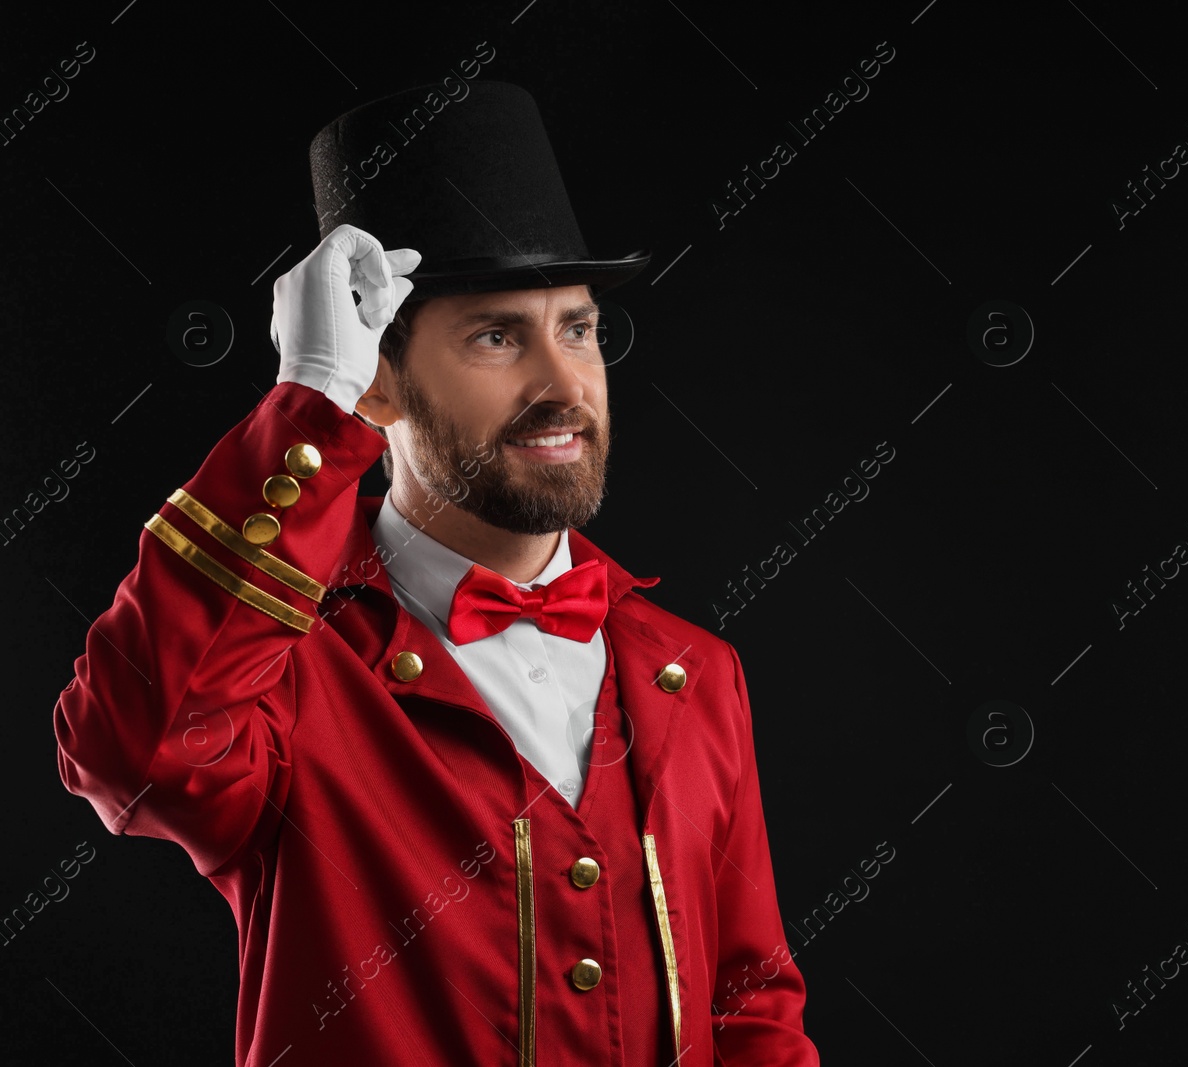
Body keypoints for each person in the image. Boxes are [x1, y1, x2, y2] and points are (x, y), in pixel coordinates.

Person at [53, 80, 819, 1066]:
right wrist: (308, 402)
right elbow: (134, 753)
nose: (562, 384)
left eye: (577, 329)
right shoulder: (284, 669)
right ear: (378, 375)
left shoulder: (697, 669)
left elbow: (751, 1007)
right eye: (497, 335)